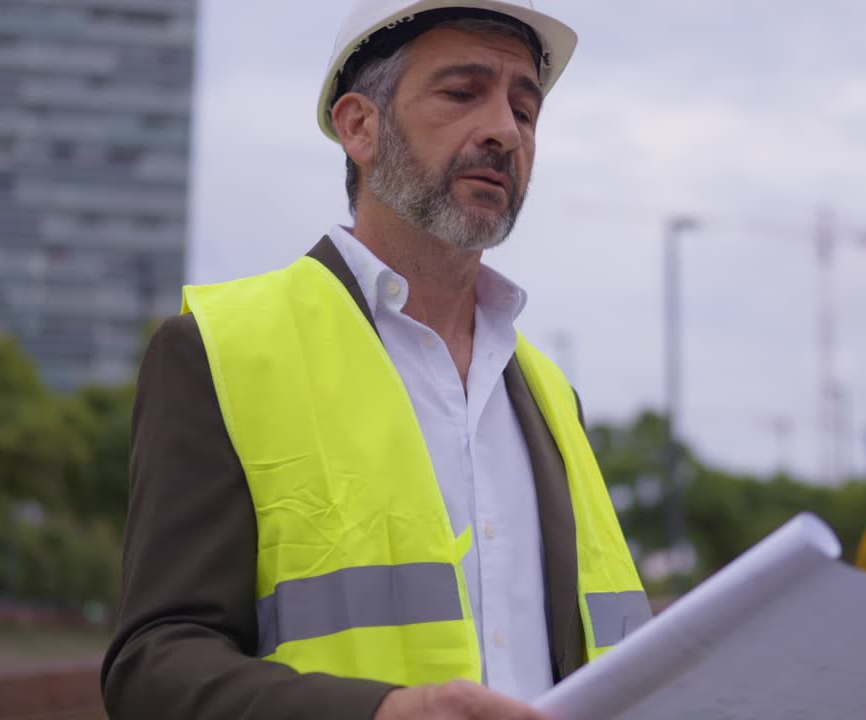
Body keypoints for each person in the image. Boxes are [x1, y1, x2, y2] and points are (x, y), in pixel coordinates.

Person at [100, 2, 650, 719]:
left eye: (525, 109)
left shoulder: (551, 397)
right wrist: (384, 713)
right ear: (359, 126)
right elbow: (152, 668)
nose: (503, 131)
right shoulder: (219, 350)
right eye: (462, 93)